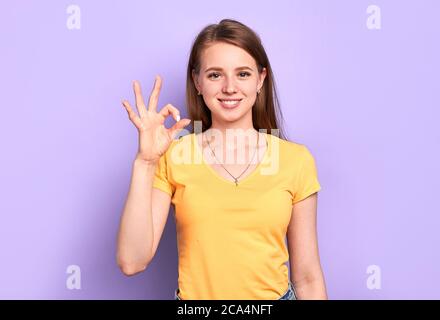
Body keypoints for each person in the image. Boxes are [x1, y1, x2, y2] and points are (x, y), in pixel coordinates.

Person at [116, 19, 327, 300]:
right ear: (197, 82)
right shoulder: (175, 156)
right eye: (215, 75)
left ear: (260, 80)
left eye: (243, 74)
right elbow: (132, 261)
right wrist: (145, 163)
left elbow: (308, 278)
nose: (230, 87)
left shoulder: (295, 160)